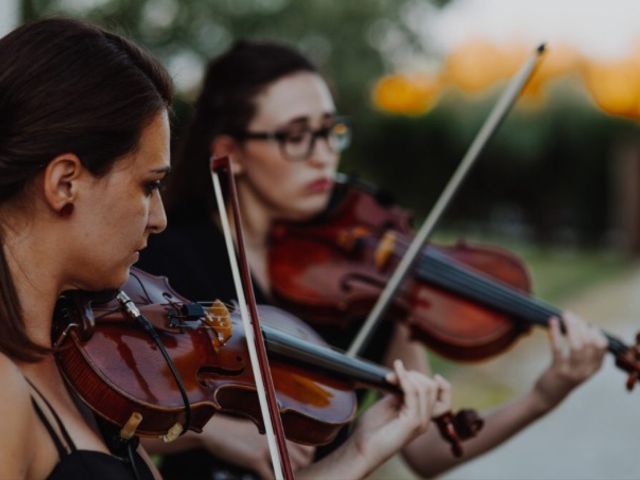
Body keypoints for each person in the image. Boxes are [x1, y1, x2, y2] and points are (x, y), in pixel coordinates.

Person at [0, 18, 452, 480]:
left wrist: (360, 450)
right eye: (148, 185)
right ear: (64, 183)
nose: (159, 217)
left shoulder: (80, 372)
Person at [138, 39, 609, 479]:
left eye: (329, 131)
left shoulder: (369, 283)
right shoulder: (164, 262)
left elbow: (427, 452)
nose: (324, 155)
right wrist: (220, 433)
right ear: (230, 153)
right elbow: (108, 417)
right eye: (297, 136)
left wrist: (545, 395)